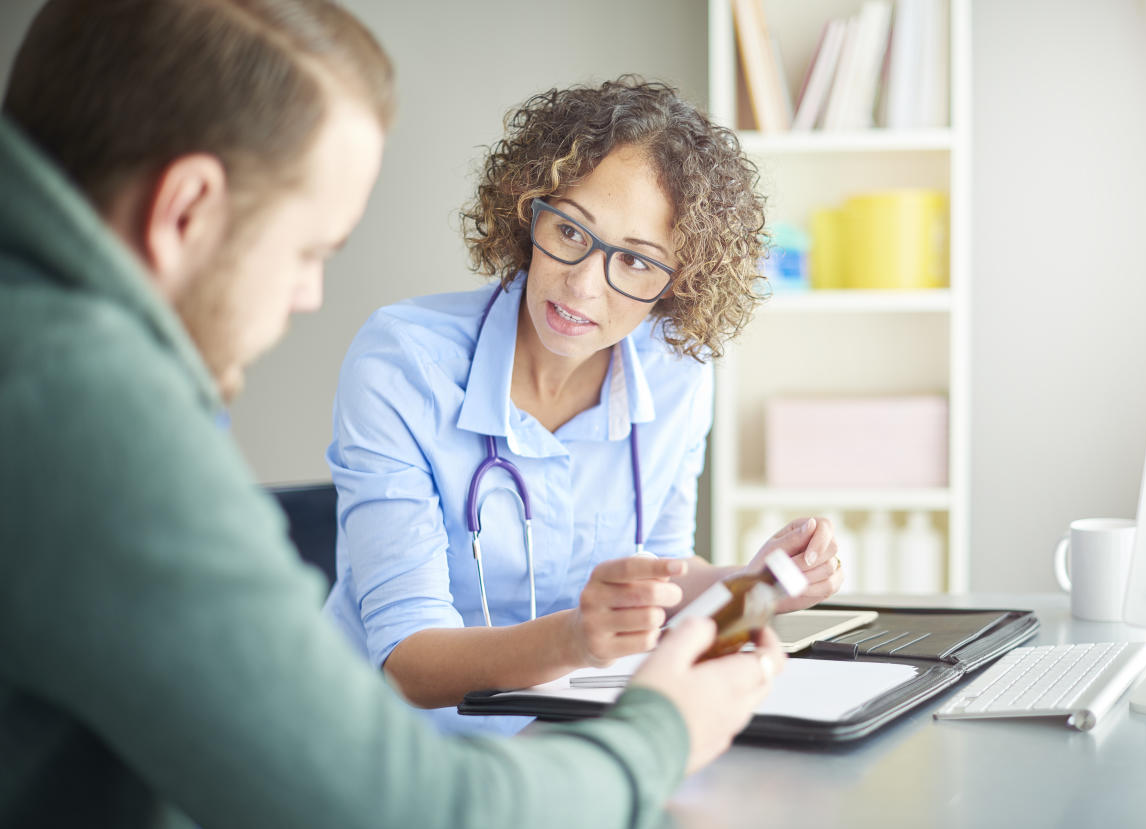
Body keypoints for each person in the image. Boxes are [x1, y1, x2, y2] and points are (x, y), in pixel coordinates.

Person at [0, 2, 787, 827]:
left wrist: (742, 584)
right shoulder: (83, 407)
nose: (309, 296)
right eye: (310, 252)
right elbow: (406, 801)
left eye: (633, 261)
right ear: (185, 211)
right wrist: (660, 730)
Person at [324, 78, 846, 734]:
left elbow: (658, 582)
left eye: (634, 261)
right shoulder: (404, 362)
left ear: (678, 284)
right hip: (388, 745)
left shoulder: (678, 373)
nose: (581, 283)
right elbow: (407, 661)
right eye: (570, 229)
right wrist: (577, 637)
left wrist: (757, 580)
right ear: (526, 208)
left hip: (566, 735)